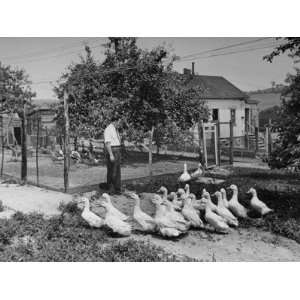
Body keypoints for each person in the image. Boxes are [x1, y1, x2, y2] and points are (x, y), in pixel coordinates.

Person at [103, 118, 123, 194]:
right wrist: (111, 154)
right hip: (113, 150)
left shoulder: (115, 129)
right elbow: (107, 143)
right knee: (112, 171)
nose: (119, 124)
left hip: (117, 150)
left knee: (117, 171)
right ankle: (111, 189)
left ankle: (117, 189)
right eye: (119, 122)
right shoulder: (108, 129)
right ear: (115, 121)